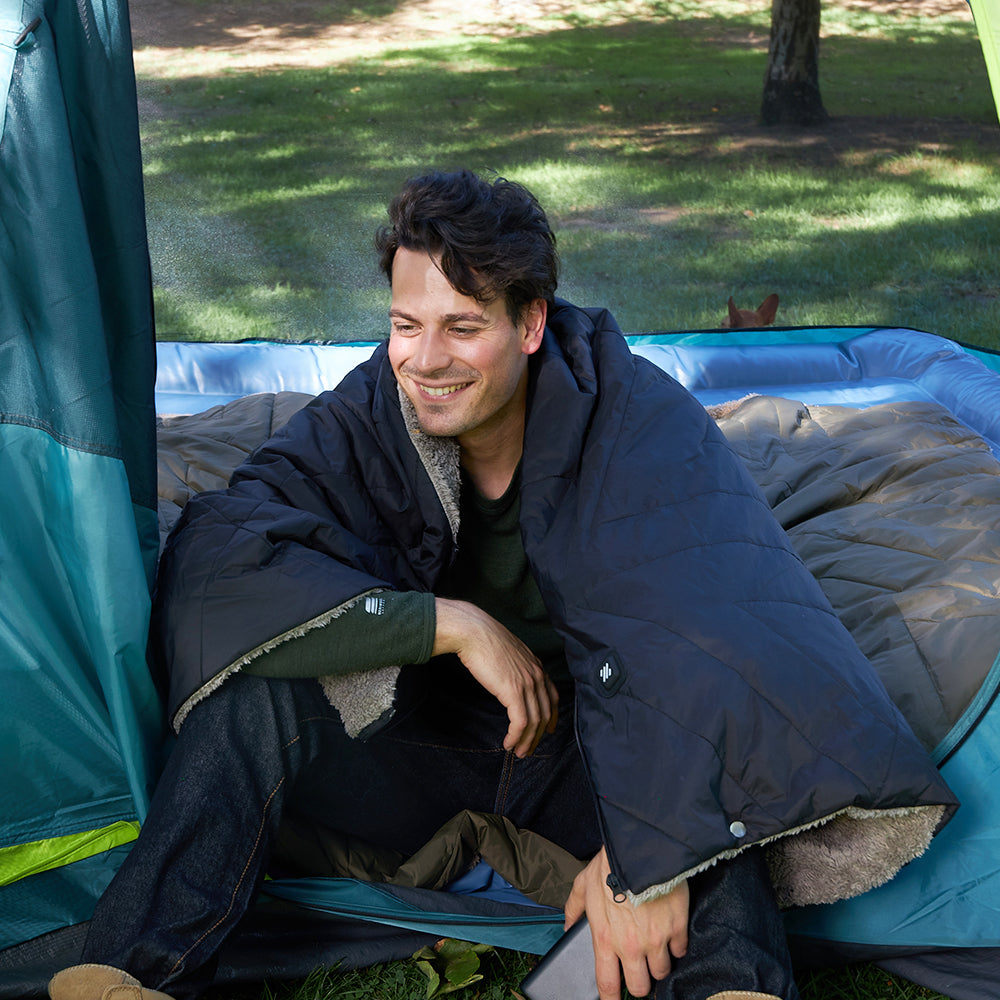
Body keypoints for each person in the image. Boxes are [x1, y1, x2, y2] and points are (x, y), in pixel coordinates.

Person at [50, 169, 955, 1000]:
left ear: (530, 324)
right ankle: (132, 972)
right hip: (420, 738)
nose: (427, 359)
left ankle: (732, 985)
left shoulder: (637, 418)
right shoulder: (371, 411)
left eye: (463, 326)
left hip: (588, 750)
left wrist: (652, 849)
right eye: (408, 324)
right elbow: (225, 555)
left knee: (721, 781)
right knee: (250, 700)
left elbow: (713, 633)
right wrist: (447, 625)